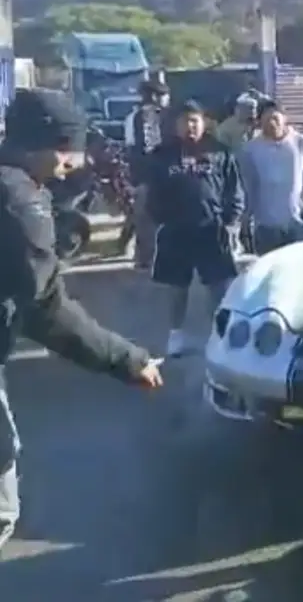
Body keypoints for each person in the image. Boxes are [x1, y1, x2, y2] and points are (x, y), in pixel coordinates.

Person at [0, 89, 165, 551]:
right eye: (69, 149)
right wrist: (127, 360)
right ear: (41, 144)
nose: (74, 162)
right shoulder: (21, 202)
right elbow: (45, 309)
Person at [146, 100, 245, 358]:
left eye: (195, 120)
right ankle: (176, 335)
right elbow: (153, 193)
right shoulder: (162, 155)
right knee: (177, 288)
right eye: (184, 121)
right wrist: (161, 217)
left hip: (212, 230)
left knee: (219, 286)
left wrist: (232, 222)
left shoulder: (220, 151)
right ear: (176, 124)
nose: (190, 126)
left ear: (204, 122)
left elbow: (234, 190)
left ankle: (222, 335)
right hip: (176, 231)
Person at [240, 102, 303, 254]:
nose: (272, 124)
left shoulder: (300, 142)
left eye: (275, 118)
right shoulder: (250, 149)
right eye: (266, 120)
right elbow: (247, 185)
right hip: (265, 226)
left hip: (297, 223)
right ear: (259, 122)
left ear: (285, 118)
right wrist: (246, 216)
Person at [124, 78, 170, 269]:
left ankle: (144, 259)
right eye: (164, 96)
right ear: (155, 97)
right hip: (159, 177)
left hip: (143, 177)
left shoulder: (133, 117)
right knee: (156, 219)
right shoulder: (157, 117)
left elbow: (131, 148)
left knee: (144, 219)